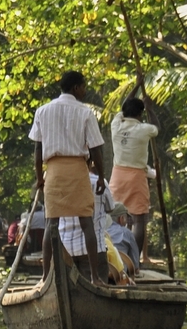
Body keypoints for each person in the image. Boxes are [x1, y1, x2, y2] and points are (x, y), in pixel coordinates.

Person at [30, 70, 107, 284]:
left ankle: (45, 277)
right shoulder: (85, 112)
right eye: (83, 86)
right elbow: (96, 150)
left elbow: (38, 150)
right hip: (78, 171)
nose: (85, 90)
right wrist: (101, 176)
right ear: (75, 88)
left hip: (54, 171)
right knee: (86, 223)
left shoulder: (42, 111)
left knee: (51, 224)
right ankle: (94, 277)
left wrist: (40, 178)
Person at [110, 97, 159, 263]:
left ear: (124, 112)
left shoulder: (116, 125)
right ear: (140, 114)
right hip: (137, 177)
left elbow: (122, 107)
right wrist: (150, 108)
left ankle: (115, 257)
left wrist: (135, 87)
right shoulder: (144, 129)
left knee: (114, 217)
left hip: (117, 175)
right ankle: (134, 261)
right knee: (139, 220)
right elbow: (157, 128)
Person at [106, 202, 140, 273]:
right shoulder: (127, 233)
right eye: (126, 218)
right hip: (120, 274)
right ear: (121, 219)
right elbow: (135, 264)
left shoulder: (102, 231)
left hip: (102, 271)